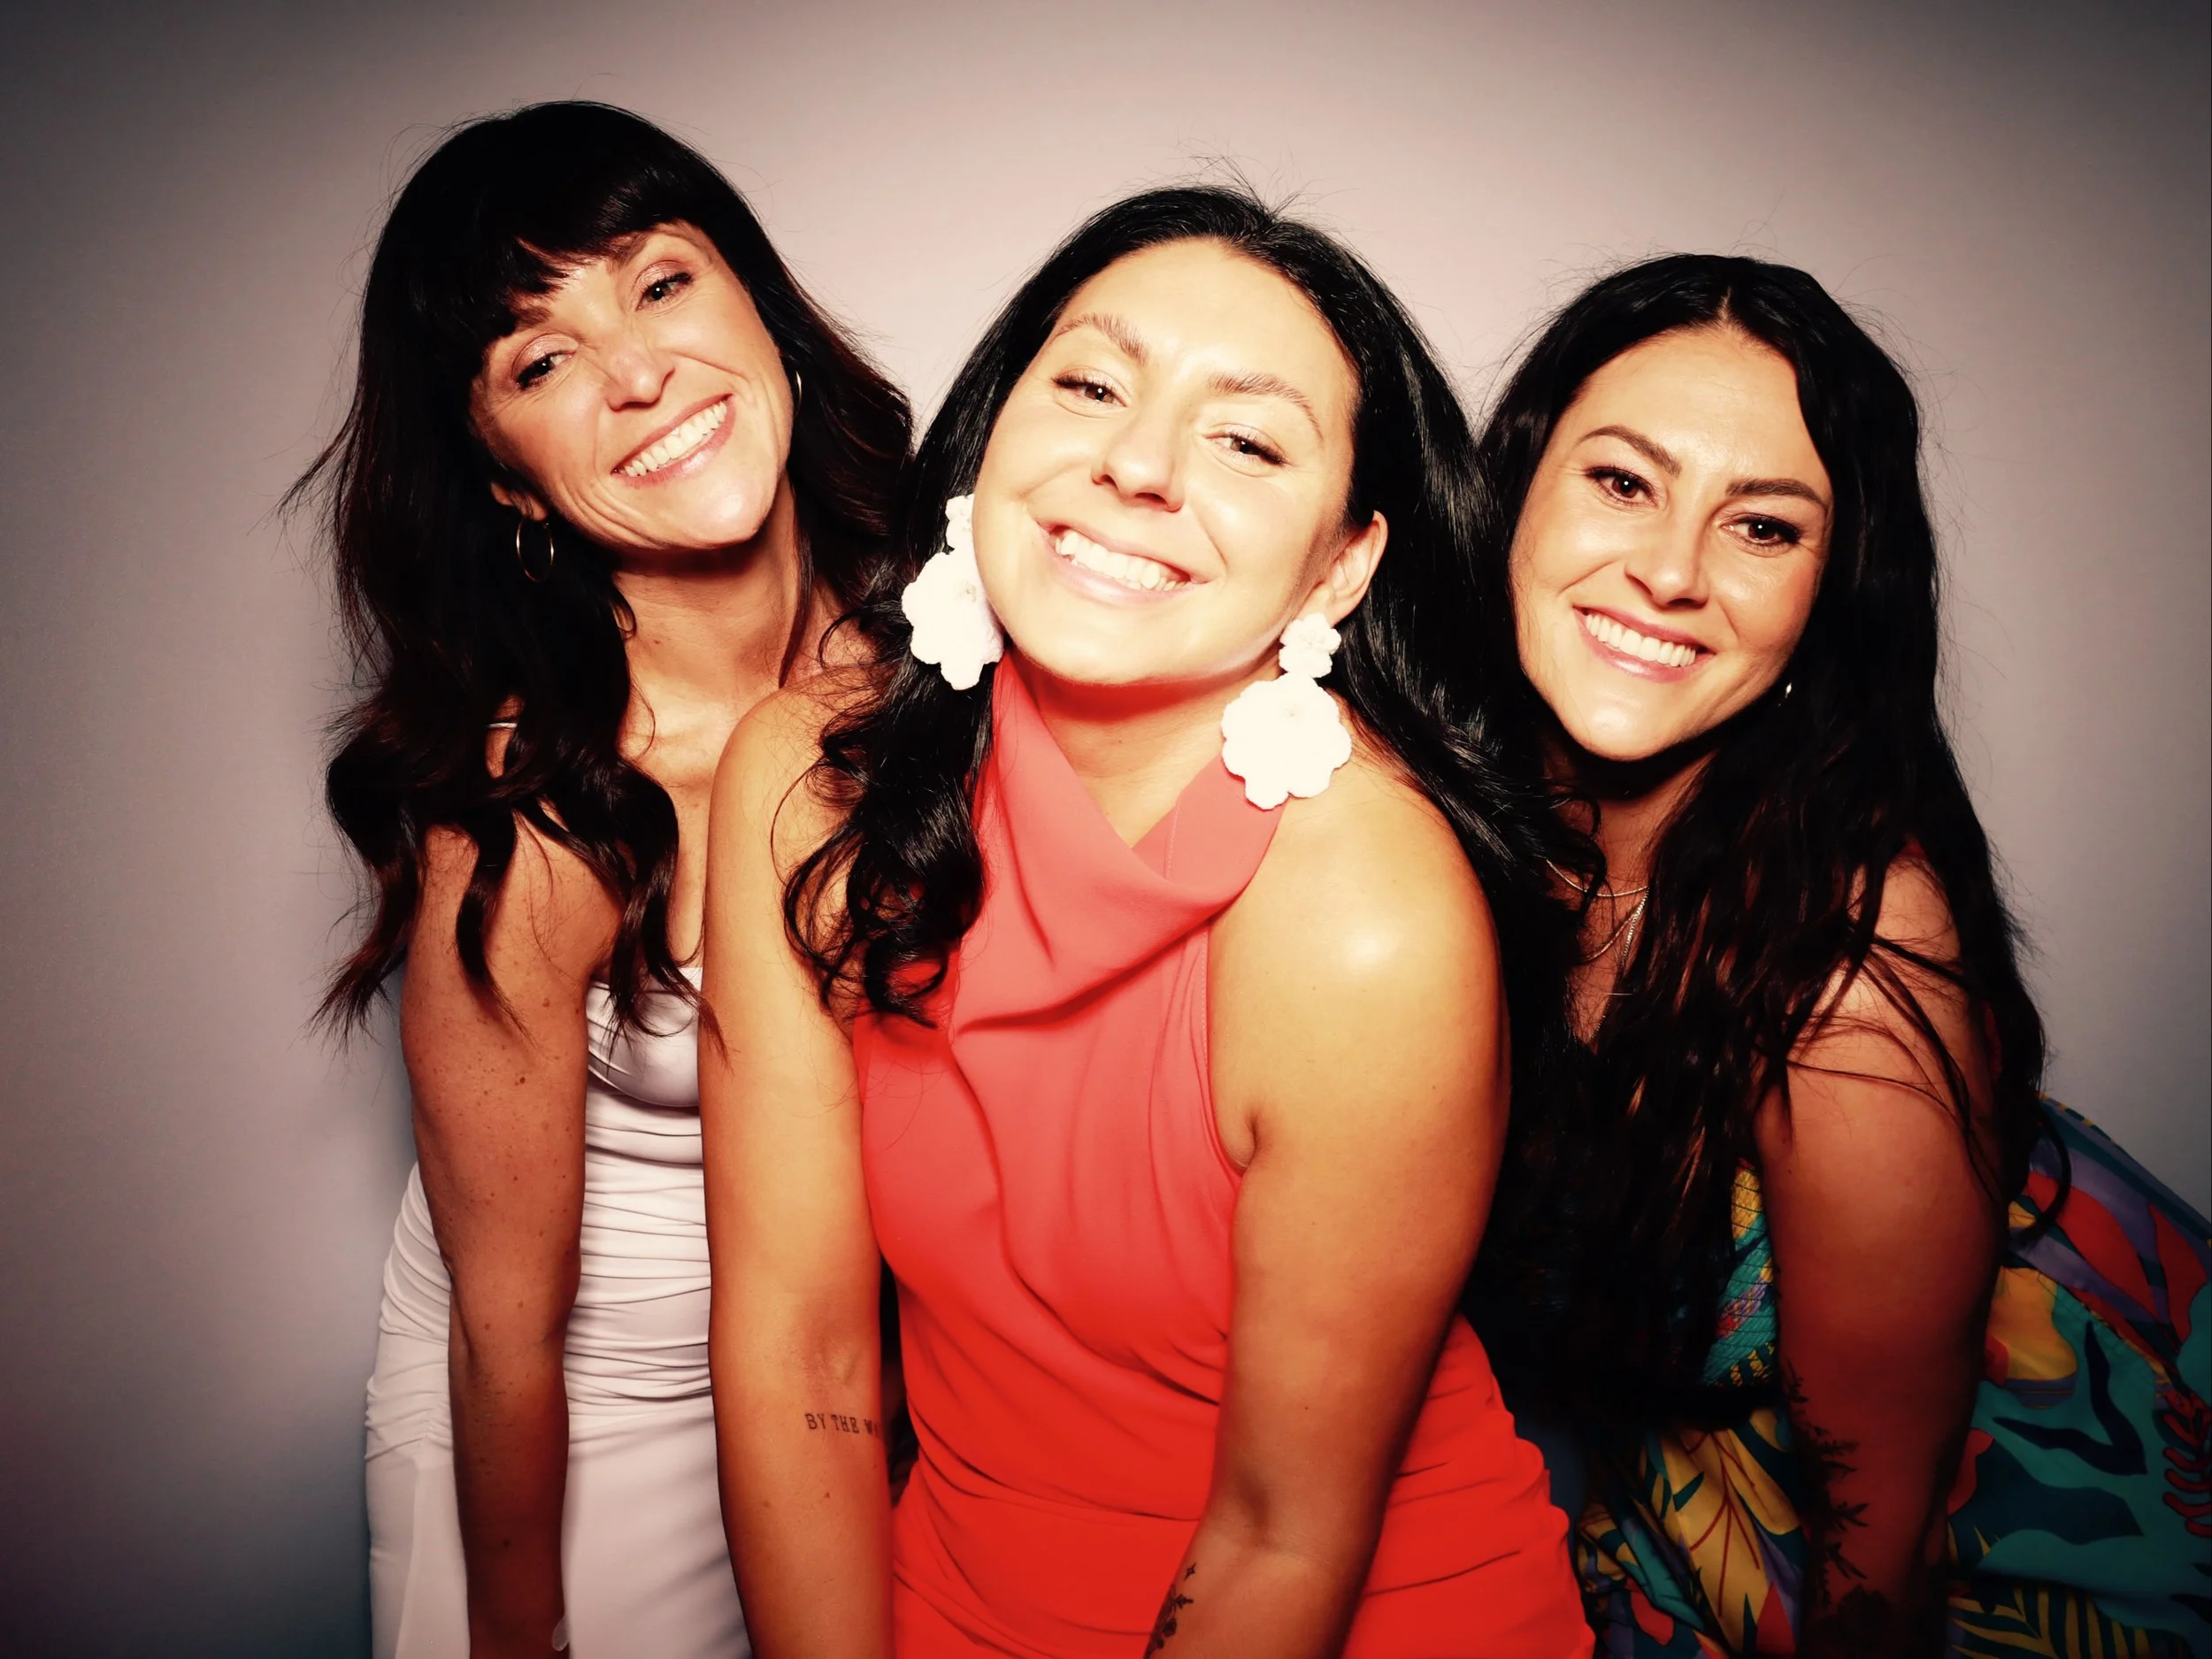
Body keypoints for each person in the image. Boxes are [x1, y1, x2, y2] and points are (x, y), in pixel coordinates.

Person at [699, 184, 1586, 1658]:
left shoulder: (1365, 913)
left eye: (1248, 440)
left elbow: (1281, 1535)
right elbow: (801, 1350)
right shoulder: (808, 784)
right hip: (952, 1599)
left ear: (1343, 563)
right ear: (995, 433)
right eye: (1093, 386)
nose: (1138, 463)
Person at [1465, 252, 2211, 1657]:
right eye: (1622, 481)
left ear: (1831, 593)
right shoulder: (1464, 836)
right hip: (1656, 1549)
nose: (1671, 571)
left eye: (1762, 527)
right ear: (1513, 491)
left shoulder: (1851, 959)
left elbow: (1887, 1559)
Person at [296, 101, 909, 1658]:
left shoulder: (946, 650)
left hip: (845, 1392)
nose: (638, 373)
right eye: (541, 361)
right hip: (578, 1431)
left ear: (761, 307)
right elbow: (503, 1331)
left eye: (661, 282)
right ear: (505, 479)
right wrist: (523, 1627)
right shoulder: (536, 813)